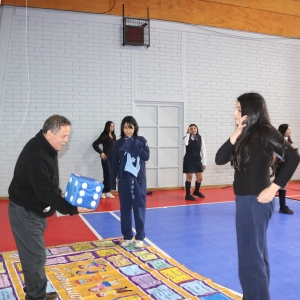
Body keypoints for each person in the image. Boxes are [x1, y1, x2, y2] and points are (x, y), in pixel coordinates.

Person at [215, 93, 299, 300]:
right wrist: (236, 133)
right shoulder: (246, 133)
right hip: (246, 200)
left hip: (255, 201)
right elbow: (219, 158)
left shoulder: (264, 131)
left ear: (250, 112)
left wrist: (274, 188)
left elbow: (293, 157)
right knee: (256, 256)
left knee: (250, 260)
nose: (234, 113)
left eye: (239, 109)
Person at [8, 115, 95, 300]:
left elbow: (47, 181)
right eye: (64, 136)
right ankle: (35, 297)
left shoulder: (47, 147)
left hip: (33, 210)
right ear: (49, 133)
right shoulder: (36, 155)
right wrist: (73, 209)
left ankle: (36, 292)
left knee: (36, 257)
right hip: (25, 213)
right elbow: (44, 193)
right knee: (35, 258)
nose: (66, 141)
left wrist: (61, 193)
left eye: (68, 136)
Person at [110, 116, 150, 249]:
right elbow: (114, 164)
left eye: (130, 127)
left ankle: (139, 237)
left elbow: (146, 156)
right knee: (125, 210)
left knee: (139, 209)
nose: (127, 130)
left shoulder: (141, 140)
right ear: (122, 128)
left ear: (135, 128)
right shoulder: (118, 143)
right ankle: (127, 236)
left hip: (139, 181)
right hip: (124, 181)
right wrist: (112, 184)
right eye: (125, 127)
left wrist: (133, 143)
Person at [183, 124, 207, 200]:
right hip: (188, 160)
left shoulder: (201, 138)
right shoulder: (185, 138)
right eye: (191, 129)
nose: (193, 130)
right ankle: (187, 195)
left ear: (197, 129)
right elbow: (186, 143)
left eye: (194, 128)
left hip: (197, 160)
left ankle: (196, 191)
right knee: (189, 177)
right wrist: (188, 134)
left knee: (200, 178)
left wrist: (204, 162)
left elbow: (204, 151)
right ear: (189, 130)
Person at [92, 121, 116, 199]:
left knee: (110, 175)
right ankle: (102, 191)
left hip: (113, 158)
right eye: (110, 126)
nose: (112, 127)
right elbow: (94, 144)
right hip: (106, 158)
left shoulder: (113, 136)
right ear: (107, 126)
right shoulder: (104, 136)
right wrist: (101, 152)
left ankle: (108, 191)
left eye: (113, 126)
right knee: (107, 175)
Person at [276, 124, 294, 214]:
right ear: (283, 130)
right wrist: (282, 158)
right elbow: (274, 152)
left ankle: (282, 206)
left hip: (286, 166)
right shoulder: (278, 141)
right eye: (288, 129)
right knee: (281, 186)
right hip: (280, 166)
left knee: (283, 186)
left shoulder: (286, 141)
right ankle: (282, 206)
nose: (290, 131)